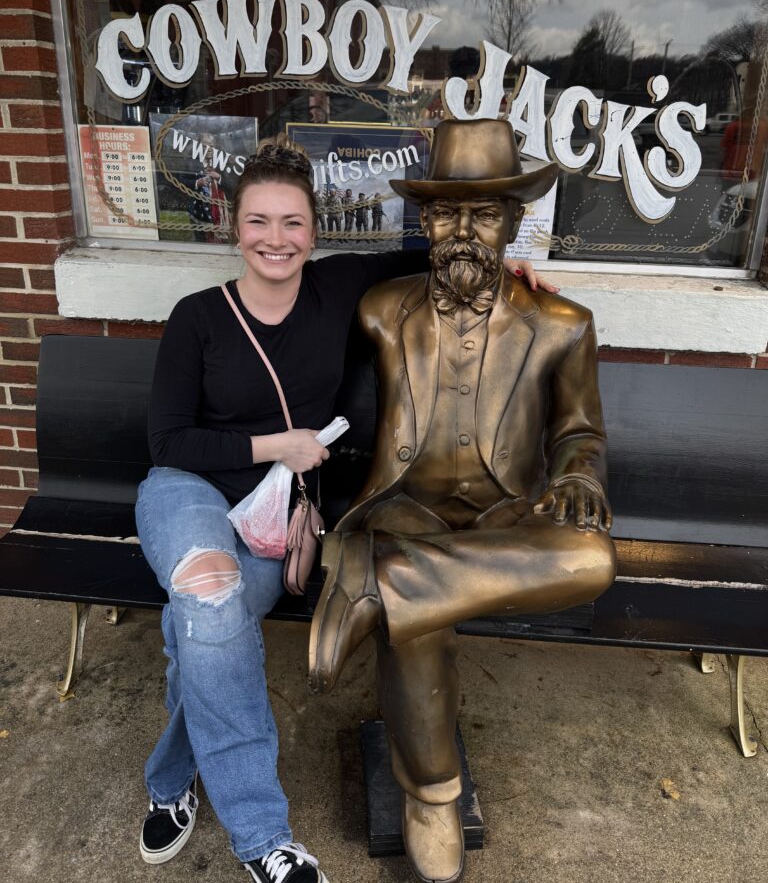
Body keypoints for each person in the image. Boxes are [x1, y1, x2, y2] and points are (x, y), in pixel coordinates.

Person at [135, 131, 556, 883]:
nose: (276, 238)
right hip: (190, 496)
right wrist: (276, 447)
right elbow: (168, 442)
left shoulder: (337, 288)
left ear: (313, 232)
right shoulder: (197, 316)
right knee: (207, 591)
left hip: (276, 528)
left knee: (206, 630)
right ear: (236, 228)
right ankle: (266, 840)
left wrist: (514, 273)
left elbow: (433, 256)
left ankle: (171, 782)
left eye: (292, 222)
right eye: (259, 221)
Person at [309, 118, 615, 883]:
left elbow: (581, 432)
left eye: (484, 215)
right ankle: (432, 797)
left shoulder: (563, 326)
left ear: (514, 222)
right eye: (446, 213)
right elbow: (293, 322)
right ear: (423, 221)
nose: (463, 232)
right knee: (422, 618)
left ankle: (379, 584)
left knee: (593, 560)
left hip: (504, 525)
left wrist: (577, 474)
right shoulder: (381, 309)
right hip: (402, 509)